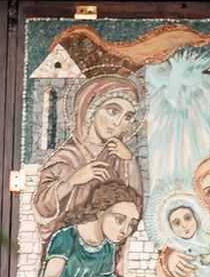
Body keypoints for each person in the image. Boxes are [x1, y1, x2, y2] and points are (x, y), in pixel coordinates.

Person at [31, 69, 144, 238]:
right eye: (113, 111)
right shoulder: (65, 157)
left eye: (127, 117)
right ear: (90, 108)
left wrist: (131, 161)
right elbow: (42, 207)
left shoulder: (121, 158)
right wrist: (72, 181)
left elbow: (135, 207)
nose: (118, 123)